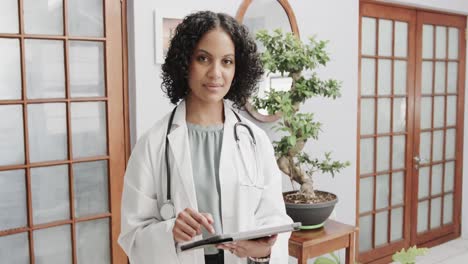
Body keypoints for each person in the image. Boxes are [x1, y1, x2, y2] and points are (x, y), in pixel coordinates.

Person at [118, 11, 292, 264]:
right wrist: (171, 233)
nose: (215, 73)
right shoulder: (153, 144)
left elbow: (275, 219)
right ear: (185, 62)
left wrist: (264, 250)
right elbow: (133, 235)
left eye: (227, 61)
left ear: (238, 68)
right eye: (203, 58)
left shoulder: (255, 141)